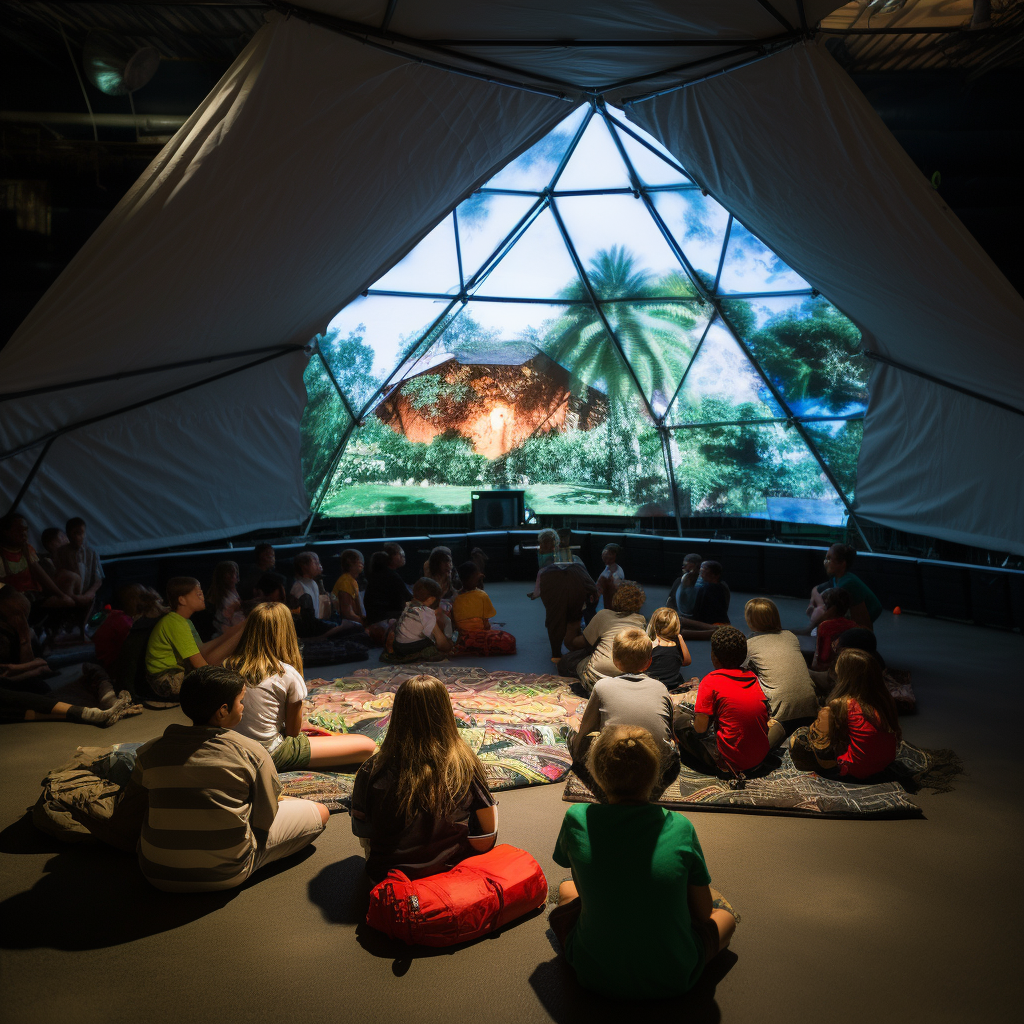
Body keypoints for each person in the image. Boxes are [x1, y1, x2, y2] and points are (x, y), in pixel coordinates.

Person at [89, 666, 329, 891]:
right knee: (320, 811)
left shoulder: (150, 751)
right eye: (240, 701)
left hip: (154, 870)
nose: (243, 707)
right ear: (223, 711)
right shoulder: (252, 751)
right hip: (227, 873)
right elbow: (265, 819)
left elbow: (132, 807)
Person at [549, 724, 736, 999]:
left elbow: (579, 878)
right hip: (674, 975)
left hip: (593, 972)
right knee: (725, 917)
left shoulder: (576, 818)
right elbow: (703, 912)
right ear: (657, 774)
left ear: (597, 774)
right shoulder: (680, 827)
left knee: (566, 888)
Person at [350, 674, 496, 882]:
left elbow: (362, 831)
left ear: (398, 712)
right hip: (450, 873)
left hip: (388, 879)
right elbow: (488, 831)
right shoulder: (464, 764)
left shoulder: (371, 769)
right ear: (445, 712)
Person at [226, 602, 376, 771]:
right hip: (268, 753)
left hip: (231, 749)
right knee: (367, 745)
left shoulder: (227, 665)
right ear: (287, 631)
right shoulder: (285, 673)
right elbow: (292, 733)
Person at [570, 629, 678, 788]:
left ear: (614, 660)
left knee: (574, 736)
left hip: (614, 767)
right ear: (649, 661)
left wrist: (577, 750)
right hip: (654, 767)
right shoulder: (661, 688)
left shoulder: (602, 686)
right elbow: (671, 733)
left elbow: (586, 728)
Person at [674, 626, 784, 777]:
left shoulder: (710, 681)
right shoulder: (752, 676)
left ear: (714, 656)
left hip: (730, 763)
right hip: (759, 758)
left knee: (680, 720)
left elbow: (700, 729)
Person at [790, 648, 901, 779]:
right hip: (885, 762)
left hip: (855, 769)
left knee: (800, 737)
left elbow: (820, 739)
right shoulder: (885, 699)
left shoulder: (842, 704)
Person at [144, 577, 244, 701]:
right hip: (165, 680)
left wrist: (237, 630)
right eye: (198, 594)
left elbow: (203, 652)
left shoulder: (185, 621)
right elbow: (199, 663)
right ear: (182, 600)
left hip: (173, 674)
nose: (202, 596)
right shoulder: (175, 623)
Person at [742, 598, 819, 731]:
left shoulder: (750, 645)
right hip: (811, 707)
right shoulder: (790, 636)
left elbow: (738, 673)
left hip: (780, 713)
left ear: (751, 620)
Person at [560, 581, 647, 691]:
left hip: (597, 675)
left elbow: (578, 644)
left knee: (566, 662)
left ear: (615, 598)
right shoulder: (640, 620)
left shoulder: (604, 615)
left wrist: (571, 625)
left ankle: (580, 691)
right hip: (627, 674)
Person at [0, 513, 75, 611]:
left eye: (25, 530)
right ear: (6, 532)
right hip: (17, 601)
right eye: (18, 530)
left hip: (36, 594)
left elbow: (40, 573)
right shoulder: (2, 557)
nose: (24, 534)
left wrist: (61, 595)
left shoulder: (26, 550)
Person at [803, 543, 882, 632]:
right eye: (826, 559)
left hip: (870, 611)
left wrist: (809, 629)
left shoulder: (847, 583)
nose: (826, 562)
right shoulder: (836, 579)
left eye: (829, 559)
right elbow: (815, 589)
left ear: (842, 564)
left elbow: (830, 613)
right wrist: (813, 604)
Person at [92, 584, 165, 673]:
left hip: (98, 661)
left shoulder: (112, 614)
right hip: (111, 669)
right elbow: (133, 651)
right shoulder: (125, 623)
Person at [537, 561, 599, 663]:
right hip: (578, 600)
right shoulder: (578, 572)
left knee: (558, 622)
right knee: (570, 630)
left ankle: (557, 655)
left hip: (570, 598)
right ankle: (589, 647)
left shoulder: (549, 574)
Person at [451, 561, 516, 656]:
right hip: (481, 634)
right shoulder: (482, 595)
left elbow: (455, 622)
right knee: (509, 640)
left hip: (463, 637)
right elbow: (486, 624)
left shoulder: (455, 597)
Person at [384, 578, 453, 661]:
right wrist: (449, 646)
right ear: (431, 599)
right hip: (410, 647)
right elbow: (441, 643)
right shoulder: (426, 613)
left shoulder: (409, 606)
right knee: (433, 643)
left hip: (398, 646)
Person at [55, 516, 104, 631]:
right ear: (68, 535)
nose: (78, 537)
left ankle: (84, 630)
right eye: (74, 533)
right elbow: (58, 577)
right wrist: (72, 596)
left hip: (87, 595)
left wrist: (88, 594)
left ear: (85, 533)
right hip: (67, 596)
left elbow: (98, 579)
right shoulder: (60, 553)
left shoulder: (91, 553)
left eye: (81, 533)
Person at [677, 561, 731, 640]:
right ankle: (718, 629)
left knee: (679, 624)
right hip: (715, 622)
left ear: (714, 575)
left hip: (713, 623)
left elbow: (697, 612)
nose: (701, 573)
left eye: (704, 571)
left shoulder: (708, 588)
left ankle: (717, 629)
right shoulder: (721, 586)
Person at [363, 543, 413, 627]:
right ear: (391, 557)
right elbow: (408, 597)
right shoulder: (390, 575)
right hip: (384, 617)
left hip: (375, 617)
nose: (403, 556)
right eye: (400, 554)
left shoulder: (379, 573)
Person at [811, 588, 858, 671]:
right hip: (847, 670)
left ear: (828, 607)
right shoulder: (854, 625)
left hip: (829, 672)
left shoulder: (825, 626)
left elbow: (822, 658)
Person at [645, 607, 692, 688]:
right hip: (674, 686)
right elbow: (687, 662)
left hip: (652, 686)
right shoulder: (677, 643)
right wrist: (680, 637)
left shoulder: (651, 645)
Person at [207, 560, 243, 637]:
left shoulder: (234, 591)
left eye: (235, 572)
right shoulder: (223, 598)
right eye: (230, 573)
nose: (234, 575)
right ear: (222, 576)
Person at [331, 548, 366, 625]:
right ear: (350, 563)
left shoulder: (351, 580)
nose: (361, 563)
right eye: (357, 560)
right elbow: (347, 614)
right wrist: (364, 623)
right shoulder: (345, 582)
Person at [666, 553, 703, 617]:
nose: (683, 567)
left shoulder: (701, 585)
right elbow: (670, 601)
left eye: (687, 565)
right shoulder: (678, 581)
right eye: (683, 565)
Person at [596, 543, 624, 610]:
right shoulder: (608, 567)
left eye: (609, 556)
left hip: (607, 607)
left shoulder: (617, 574)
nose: (606, 558)